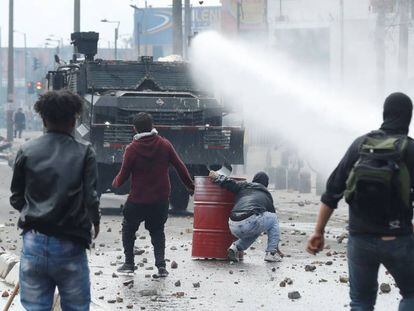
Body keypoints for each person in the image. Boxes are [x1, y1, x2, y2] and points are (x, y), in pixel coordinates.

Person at [306, 92, 414, 311]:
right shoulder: (410, 149)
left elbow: (332, 192)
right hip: (396, 237)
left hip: (360, 238)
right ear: (409, 118)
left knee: (361, 302)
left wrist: (318, 232)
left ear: (384, 114)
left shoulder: (361, 145)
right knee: (411, 294)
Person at [10, 90, 100, 310]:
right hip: (70, 242)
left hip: (34, 242)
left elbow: (16, 197)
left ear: (43, 119)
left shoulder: (27, 150)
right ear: (73, 120)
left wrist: (34, 211)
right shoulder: (84, 151)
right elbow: (91, 198)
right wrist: (94, 222)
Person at [112, 112, 194, 275]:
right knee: (157, 230)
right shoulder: (164, 144)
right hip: (160, 199)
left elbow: (123, 175)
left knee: (128, 228)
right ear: (152, 126)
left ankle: (129, 263)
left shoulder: (132, 149)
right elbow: (180, 166)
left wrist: (115, 183)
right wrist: (189, 185)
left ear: (134, 129)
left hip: (137, 200)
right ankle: (161, 266)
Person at [209, 171, 283, 262]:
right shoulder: (267, 195)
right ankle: (271, 253)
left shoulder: (243, 186)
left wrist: (217, 177)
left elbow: (229, 183)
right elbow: (272, 225)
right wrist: (275, 247)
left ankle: (234, 247)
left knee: (255, 229)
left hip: (233, 223)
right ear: (266, 184)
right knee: (274, 218)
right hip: (250, 220)